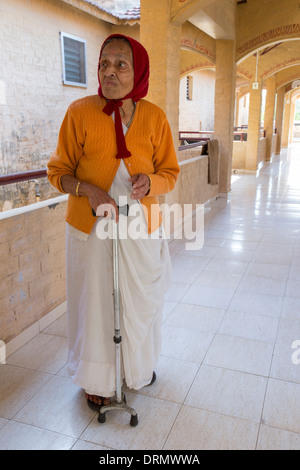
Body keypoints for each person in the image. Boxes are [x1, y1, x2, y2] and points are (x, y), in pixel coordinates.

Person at [47, 34, 180, 409]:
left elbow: (170, 172)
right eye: (104, 63)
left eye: (121, 64)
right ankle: (98, 379)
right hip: (92, 228)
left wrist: (151, 181)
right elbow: (57, 172)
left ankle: (138, 367)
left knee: (139, 302)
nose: (109, 71)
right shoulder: (79, 112)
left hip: (140, 226)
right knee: (97, 303)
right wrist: (87, 189)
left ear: (138, 72)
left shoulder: (155, 117)